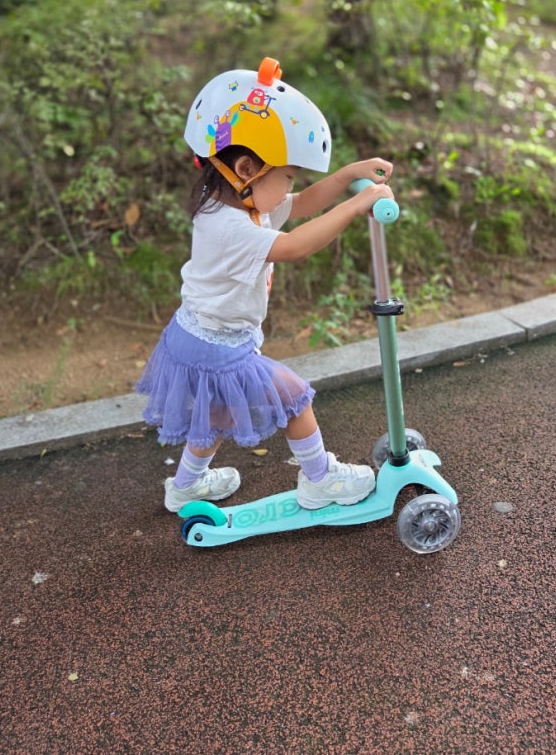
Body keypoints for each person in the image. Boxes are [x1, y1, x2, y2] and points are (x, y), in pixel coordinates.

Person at [136, 56, 395, 513]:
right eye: (286, 175)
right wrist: (357, 206)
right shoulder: (230, 226)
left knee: (217, 415)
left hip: (200, 335)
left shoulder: (242, 203)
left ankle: (185, 486)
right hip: (215, 344)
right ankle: (320, 479)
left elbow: (304, 202)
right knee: (294, 397)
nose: (291, 186)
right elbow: (295, 247)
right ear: (246, 168)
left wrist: (347, 176)